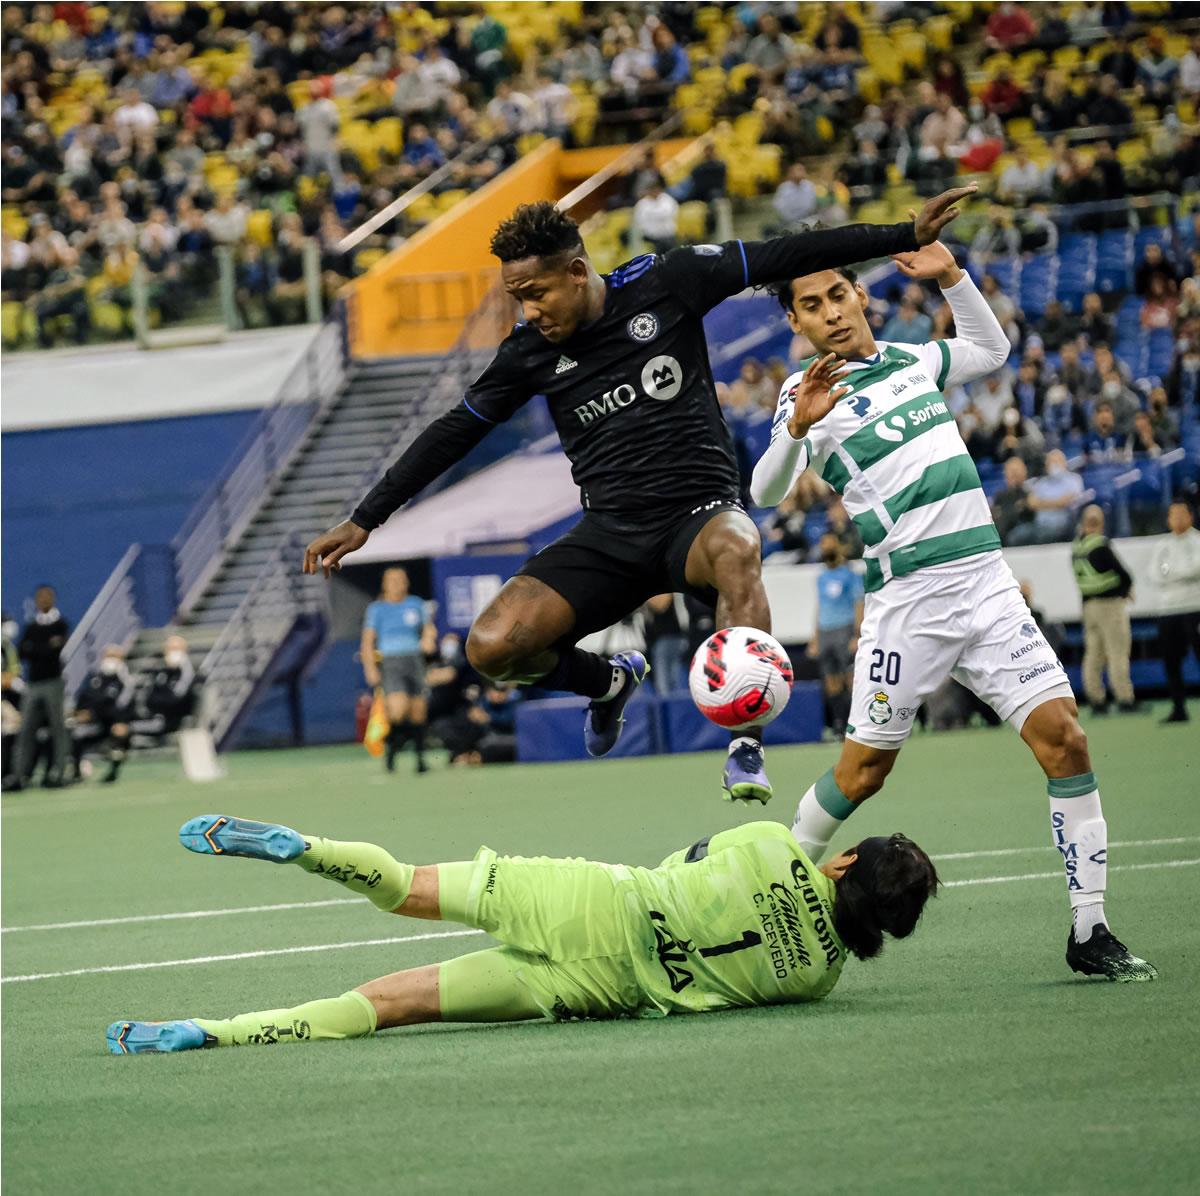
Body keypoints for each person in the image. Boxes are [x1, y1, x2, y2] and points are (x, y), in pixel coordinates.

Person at [304, 190, 974, 804]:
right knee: (491, 647)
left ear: (576, 271)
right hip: (611, 534)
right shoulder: (528, 351)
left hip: (699, 516)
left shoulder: (669, 281)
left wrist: (899, 232)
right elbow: (452, 433)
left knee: (740, 546)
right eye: (517, 298)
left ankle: (745, 746)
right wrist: (367, 520)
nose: (529, 310)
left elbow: (786, 254)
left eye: (536, 292)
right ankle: (607, 683)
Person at [751, 241, 1156, 982]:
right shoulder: (807, 391)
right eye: (811, 305)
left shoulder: (914, 360)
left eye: (838, 294)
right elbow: (767, 490)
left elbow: (991, 347)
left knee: (1066, 740)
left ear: (859, 295)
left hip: (988, 588)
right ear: (794, 319)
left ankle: (1090, 930)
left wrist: (951, 277)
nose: (831, 312)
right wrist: (800, 427)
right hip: (909, 605)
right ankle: (760, 888)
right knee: (864, 773)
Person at [106, 812, 939, 1054]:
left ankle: (309, 849)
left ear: (845, 863)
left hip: (588, 899)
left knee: (405, 890)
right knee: (390, 1004)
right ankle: (207, 1034)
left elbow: (681, 854)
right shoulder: (817, 981)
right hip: (599, 991)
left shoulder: (770, 844)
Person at [361, 568, 436, 776]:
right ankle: (392, 752)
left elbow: (428, 629)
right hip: (391, 661)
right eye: (392, 580)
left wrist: (428, 639)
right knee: (398, 710)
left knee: (418, 711)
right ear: (384, 584)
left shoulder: (416, 604)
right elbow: (367, 641)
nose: (397, 584)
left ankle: (420, 760)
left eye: (400, 580)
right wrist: (370, 668)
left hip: (414, 659)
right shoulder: (377, 609)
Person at [1072, 504, 1137, 715]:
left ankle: (1096, 699)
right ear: (1100, 523)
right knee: (1117, 652)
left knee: (1093, 655)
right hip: (1110, 606)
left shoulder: (1077, 547)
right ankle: (1124, 697)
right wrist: (1126, 589)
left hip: (1089, 607)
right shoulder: (1100, 544)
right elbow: (1124, 574)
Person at [6, 585, 70, 790]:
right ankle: (18, 776)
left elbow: (51, 652)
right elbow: (24, 652)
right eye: (39, 597)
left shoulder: (61, 624)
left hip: (53, 682)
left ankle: (58, 773)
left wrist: (37, 649)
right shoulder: (31, 626)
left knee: (57, 728)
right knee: (25, 730)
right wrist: (45, 647)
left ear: (53, 599)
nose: (42, 600)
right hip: (33, 684)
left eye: (46, 597)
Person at [809, 533, 863, 738]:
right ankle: (839, 723)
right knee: (831, 680)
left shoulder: (851, 575)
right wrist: (815, 637)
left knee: (850, 678)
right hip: (826, 631)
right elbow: (819, 606)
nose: (825, 548)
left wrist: (857, 634)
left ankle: (855, 722)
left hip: (845, 628)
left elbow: (859, 604)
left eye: (829, 544)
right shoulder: (821, 577)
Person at [1154, 501, 1200, 725]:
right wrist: (1181, 573)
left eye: (1182, 514)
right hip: (1168, 610)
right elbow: (1154, 574)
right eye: (1173, 515)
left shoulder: (1197, 540)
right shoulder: (1163, 544)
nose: (1178, 519)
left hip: (1194, 607)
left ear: (1191, 516)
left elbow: (1196, 568)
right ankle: (1178, 709)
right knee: (1171, 661)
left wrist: (1171, 573)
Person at [72, 644, 137, 783]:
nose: (110, 660)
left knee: (120, 734)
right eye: (108, 656)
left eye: (114, 657)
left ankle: (113, 772)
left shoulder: (126, 681)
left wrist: (117, 720)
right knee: (75, 733)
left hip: (115, 723)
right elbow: (84, 701)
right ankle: (77, 772)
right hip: (97, 722)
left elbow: (123, 706)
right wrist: (82, 713)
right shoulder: (94, 679)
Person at [141, 634, 203, 733]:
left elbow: (176, 699)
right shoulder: (158, 671)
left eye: (177, 649)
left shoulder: (190, 672)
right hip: (156, 715)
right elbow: (149, 698)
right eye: (170, 649)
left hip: (177, 718)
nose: (174, 652)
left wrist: (162, 697)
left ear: (185, 651)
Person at [1027, 449, 1084, 543]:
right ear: (1046, 466)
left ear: (1064, 462)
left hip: (1063, 523)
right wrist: (1056, 503)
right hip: (1039, 524)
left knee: (1042, 535)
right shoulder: (1041, 483)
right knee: (1017, 535)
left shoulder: (1074, 480)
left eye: (1057, 461)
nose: (1054, 465)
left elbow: (1066, 502)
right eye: (1051, 462)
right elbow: (1032, 503)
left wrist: (1042, 503)